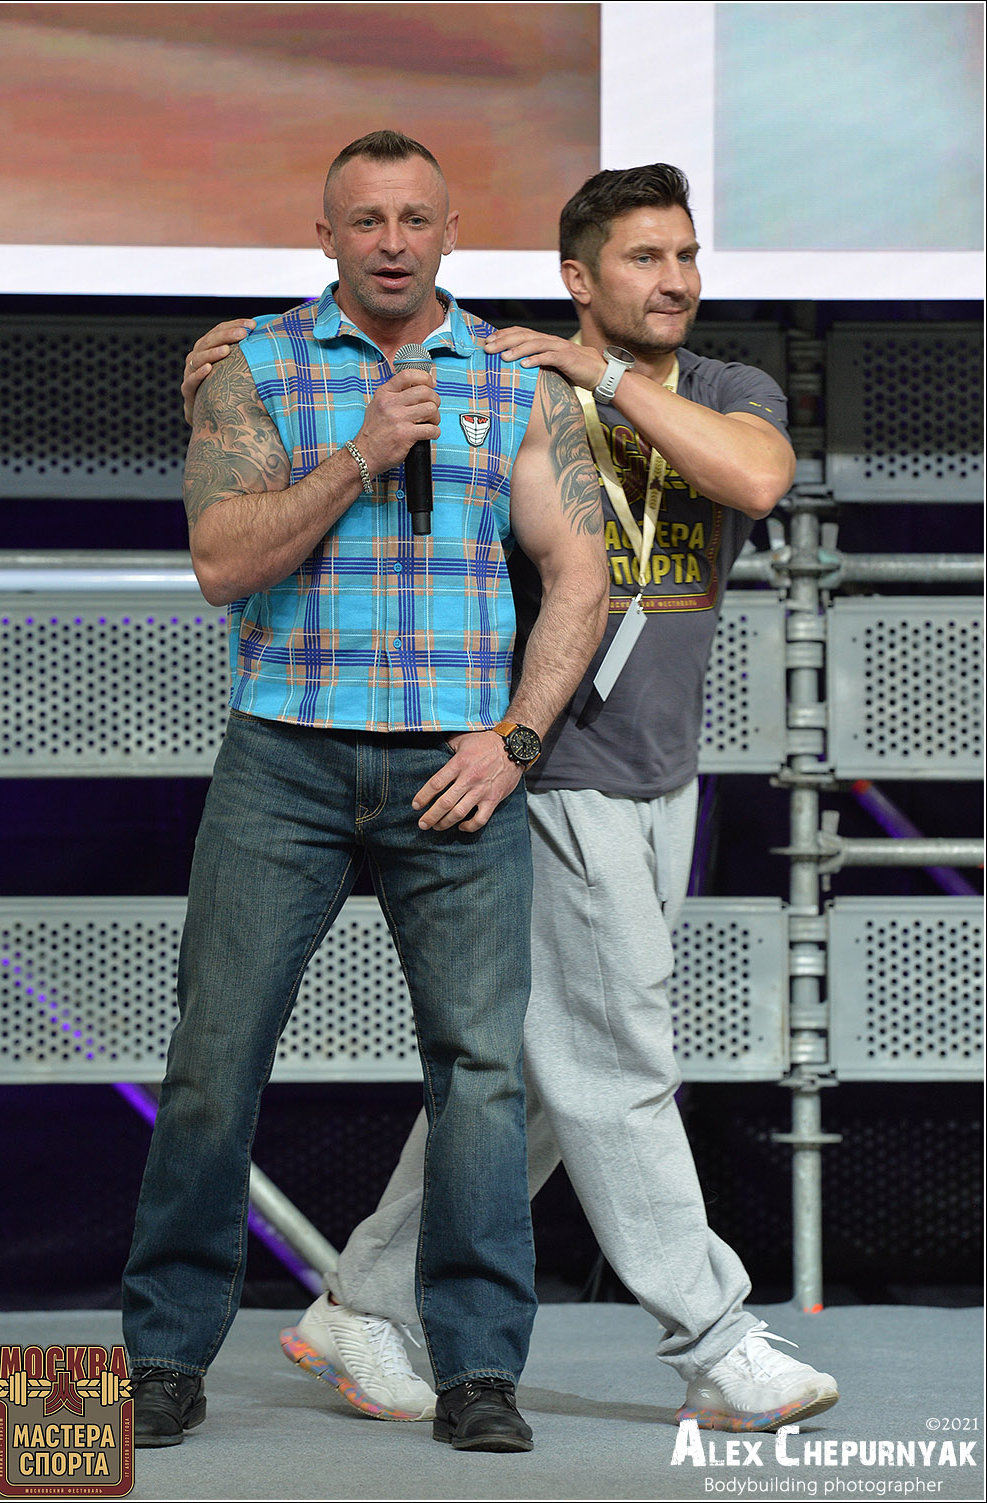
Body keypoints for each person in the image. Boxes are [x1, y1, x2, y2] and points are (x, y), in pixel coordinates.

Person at [181, 162, 840, 1436]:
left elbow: (756, 481)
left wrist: (608, 376)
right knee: (615, 1062)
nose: (674, 280)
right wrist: (221, 370)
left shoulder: (719, 387)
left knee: (540, 1078)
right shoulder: (507, 375)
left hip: (662, 773)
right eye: (643, 259)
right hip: (550, 768)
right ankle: (712, 1342)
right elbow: (338, 378)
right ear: (576, 278)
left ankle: (364, 1301)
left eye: (685, 255)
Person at [122, 129, 608, 1455]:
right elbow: (221, 563)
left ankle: (477, 1370)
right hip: (285, 757)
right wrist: (355, 454)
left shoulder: (512, 380)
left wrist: (515, 738)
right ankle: (164, 1354)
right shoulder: (257, 367)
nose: (392, 241)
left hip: (456, 766)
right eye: (366, 220)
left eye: (414, 218)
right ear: (325, 236)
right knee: (213, 1062)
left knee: (483, 1075)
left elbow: (581, 572)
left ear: (451, 232)